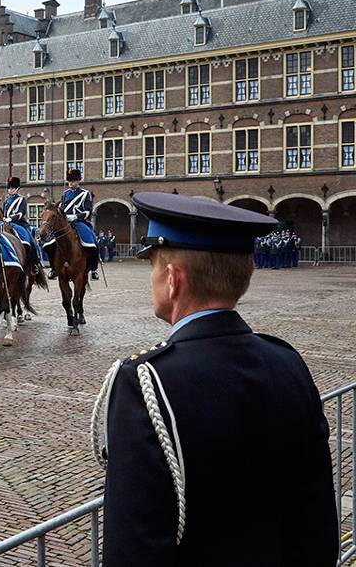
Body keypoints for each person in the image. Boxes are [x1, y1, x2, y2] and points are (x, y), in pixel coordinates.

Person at [93, 192, 337, 567]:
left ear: (173, 280)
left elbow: (133, 549)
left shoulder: (143, 384)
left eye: (153, 266)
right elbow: (318, 528)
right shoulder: (287, 363)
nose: (151, 278)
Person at [44, 168, 99, 280]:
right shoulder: (65, 194)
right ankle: (53, 268)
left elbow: (88, 211)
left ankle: (94, 269)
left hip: (79, 222)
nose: (71, 183)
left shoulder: (85, 194)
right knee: (49, 244)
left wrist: (76, 216)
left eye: (73, 180)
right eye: (69, 181)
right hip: (65, 222)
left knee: (92, 242)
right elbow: (62, 209)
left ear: (78, 181)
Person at [3, 176, 39, 273]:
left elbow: (20, 213)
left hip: (20, 224)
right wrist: (4, 219)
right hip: (7, 224)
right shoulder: (6, 201)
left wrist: (10, 219)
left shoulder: (21, 199)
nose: (11, 190)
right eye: (9, 188)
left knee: (30, 240)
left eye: (13, 188)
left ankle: (34, 263)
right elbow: (4, 213)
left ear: (17, 188)